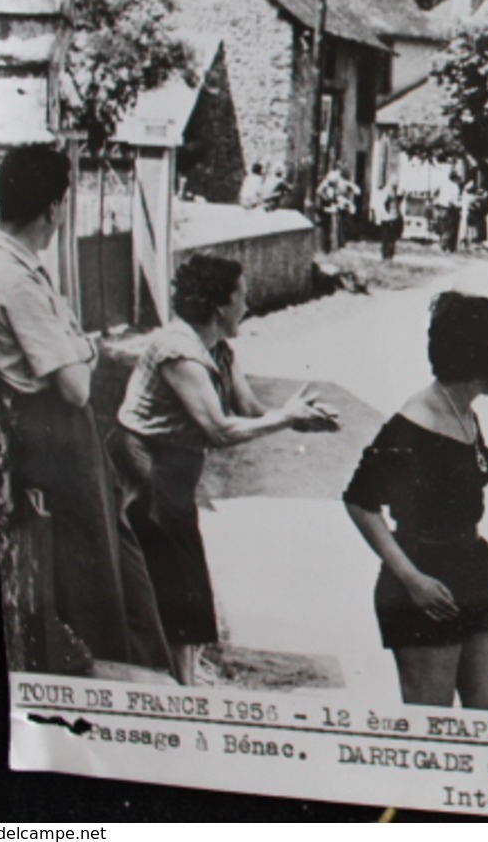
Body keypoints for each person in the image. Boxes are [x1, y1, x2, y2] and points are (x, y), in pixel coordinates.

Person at [112, 254, 339, 684]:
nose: (247, 306)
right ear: (219, 306)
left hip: (176, 473)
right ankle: (177, 684)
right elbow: (218, 429)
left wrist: (298, 416)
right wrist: (285, 417)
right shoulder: (177, 350)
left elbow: (249, 410)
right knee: (171, 582)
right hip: (144, 470)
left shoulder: (219, 350)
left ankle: (185, 678)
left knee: (187, 583)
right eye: (243, 297)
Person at [0, 146, 170, 674]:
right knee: (92, 573)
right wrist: (85, 347)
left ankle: (141, 669)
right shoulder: (15, 277)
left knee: (119, 555)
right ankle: (115, 687)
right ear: (54, 208)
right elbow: (74, 387)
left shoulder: (11, 261)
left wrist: (78, 346)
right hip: (56, 439)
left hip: (67, 438)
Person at [344, 292, 488, 710]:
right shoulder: (413, 426)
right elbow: (359, 502)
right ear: (483, 360)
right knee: (432, 725)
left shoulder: (463, 413)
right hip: (422, 579)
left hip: (470, 567)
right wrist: (412, 579)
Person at [374, 178, 404, 261]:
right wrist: (385, 215)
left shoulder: (394, 191)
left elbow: (395, 203)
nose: (397, 184)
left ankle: (390, 255)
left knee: (392, 239)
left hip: (393, 218)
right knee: (386, 238)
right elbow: (382, 203)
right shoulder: (387, 191)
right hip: (387, 219)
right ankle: (385, 255)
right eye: (395, 182)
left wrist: (401, 197)